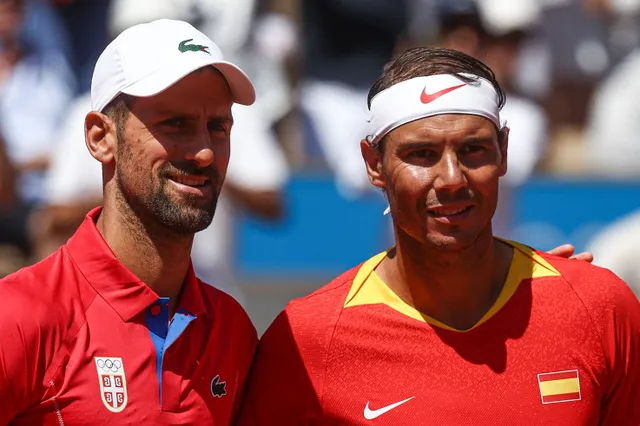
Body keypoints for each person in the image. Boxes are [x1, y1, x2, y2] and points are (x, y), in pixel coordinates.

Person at [237, 47, 640, 424]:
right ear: (374, 164)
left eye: (473, 150)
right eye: (422, 154)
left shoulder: (598, 306)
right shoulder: (308, 339)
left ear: (503, 151)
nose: (451, 179)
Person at [0, 19, 258, 425]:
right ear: (101, 138)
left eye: (217, 127)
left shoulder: (234, 331)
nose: (205, 152)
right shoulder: (18, 315)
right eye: (175, 123)